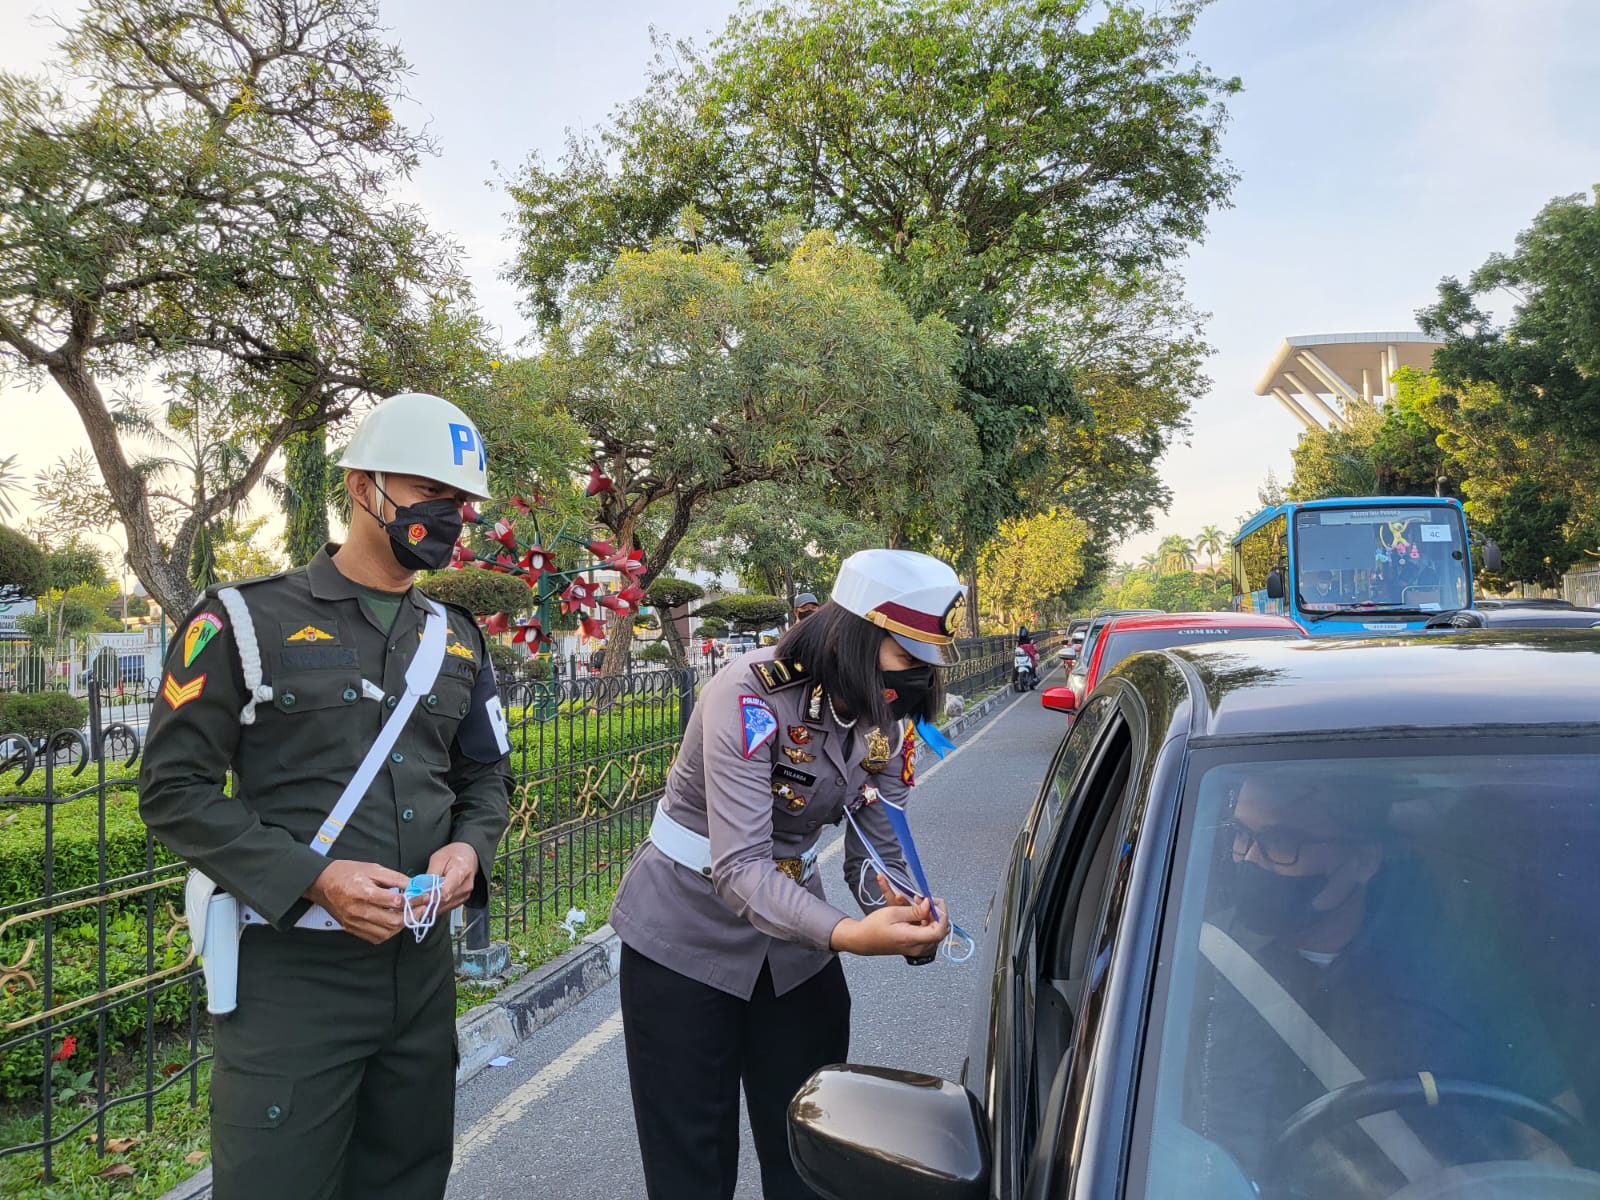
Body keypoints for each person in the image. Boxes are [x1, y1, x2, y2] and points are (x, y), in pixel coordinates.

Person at [139, 393, 511, 1200]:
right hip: (293, 984)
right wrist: (314, 877)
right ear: (361, 485)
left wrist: (468, 851)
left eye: (463, 504)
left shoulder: (456, 636)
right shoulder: (242, 620)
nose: (451, 517)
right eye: (431, 495)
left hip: (420, 982)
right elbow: (172, 789)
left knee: (409, 1183)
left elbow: (486, 776)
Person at [610, 549, 963, 1199]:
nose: (915, 680)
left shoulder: (888, 721)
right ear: (856, 633)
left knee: (812, 1146)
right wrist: (852, 936)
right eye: (907, 659)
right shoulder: (749, 693)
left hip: (793, 948)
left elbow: (876, 856)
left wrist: (901, 904)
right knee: (690, 1158)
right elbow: (741, 866)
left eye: (926, 665)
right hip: (684, 938)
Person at [1187, 776, 1571, 1191]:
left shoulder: (1456, 965)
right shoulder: (1195, 969)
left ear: (1362, 862)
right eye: (1240, 835)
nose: (1249, 859)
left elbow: (1550, 1126)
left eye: (1282, 843)